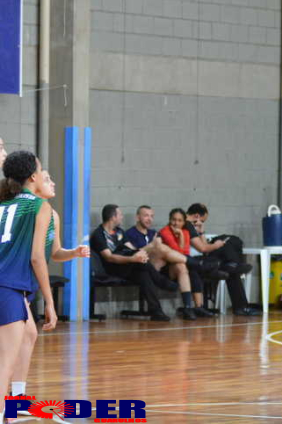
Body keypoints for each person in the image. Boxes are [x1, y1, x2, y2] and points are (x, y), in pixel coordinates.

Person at [7, 168, 89, 403]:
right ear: (33, 181)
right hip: (11, 280)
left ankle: (17, 397)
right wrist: (49, 302)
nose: (52, 183)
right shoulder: (22, 209)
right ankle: (13, 398)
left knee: (28, 334)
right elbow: (35, 256)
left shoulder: (52, 215)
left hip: (22, 283)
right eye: (47, 178)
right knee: (24, 335)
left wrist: (73, 252)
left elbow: (54, 253)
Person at [0, 152, 58, 414]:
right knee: (4, 364)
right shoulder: (39, 206)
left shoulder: (2, 204)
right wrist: (50, 300)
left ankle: (16, 404)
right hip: (8, 288)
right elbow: (37, 257)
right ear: (33, 176)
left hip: (8, 286)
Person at [125, 206, 215, 319]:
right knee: (160, 247)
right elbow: (133, 255)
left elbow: (179, 251)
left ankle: (188, 308)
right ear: (138, 217)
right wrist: (152, 246)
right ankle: (197, 264)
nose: (149, 219)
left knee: (181, 266)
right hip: (145, 268)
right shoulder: (129, 234)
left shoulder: (154, 233)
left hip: (162, 267)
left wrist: (181, 236)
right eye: (146, 216)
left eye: (152, 216)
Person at [90, 204, 170, 321]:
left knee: (144, 274)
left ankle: (156, 311)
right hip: (111, 269)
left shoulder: (120, 232)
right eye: (120, 214)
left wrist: (142, 252)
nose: (122, 217)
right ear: (113, 217)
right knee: (142, 266)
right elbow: (109, 257)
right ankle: (160, 280)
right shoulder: (99, 234)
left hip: (126, 267)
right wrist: (133, 259)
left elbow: (133, 250)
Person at [183, 203, 259, 316]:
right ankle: (241, 307)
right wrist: (216, 245)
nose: (202, 223)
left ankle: (232, 266)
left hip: (201, 258)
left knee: (231, 268)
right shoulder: (187, 225)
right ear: (197, 216)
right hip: (196, 261)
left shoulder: (190, 226)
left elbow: (203, 246)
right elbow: (204, 248)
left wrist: (201, 231)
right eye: (203, 221)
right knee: (227, 245)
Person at [158, 208, 210, 320]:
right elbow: (177, 254)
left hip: (181, 267)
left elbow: (184, 254)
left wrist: (181, 235)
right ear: (169, 220)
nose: (176, 223)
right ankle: (187, 307)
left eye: (179, 220)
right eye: (173, 220)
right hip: (166, 269)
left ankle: (198, 307)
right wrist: (181, 236)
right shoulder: (164, 232)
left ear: (184, 222)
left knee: (190, 269)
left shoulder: (185, 232)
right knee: (182, 265)